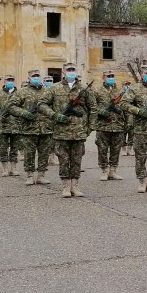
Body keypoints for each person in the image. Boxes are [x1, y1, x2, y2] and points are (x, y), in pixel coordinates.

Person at [48, 62, 95, 198]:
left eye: (73, 69)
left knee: (76, 160)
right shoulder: (54, 88)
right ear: (63, 72)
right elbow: (42, 104)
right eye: (68, 70)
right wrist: (55, 115)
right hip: (61, 132)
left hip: (79, 131)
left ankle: (75, 186)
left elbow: (93, 108)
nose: (71, 72)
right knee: (63, 160)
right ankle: (65, 187)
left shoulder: (84, 88)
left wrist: (90, 127)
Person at [123, 66, 147, 192]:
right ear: (142, 75)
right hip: (140, 128)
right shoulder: (134, 89)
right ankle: (142, 181)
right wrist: (139, 111)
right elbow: (123, 103)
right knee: (140, 156)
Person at [16, 69, 54, 185]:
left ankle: (41, 175)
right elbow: (12, 106)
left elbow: (55, 107)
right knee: (29, 153)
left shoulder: (48, 91)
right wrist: (23, 113)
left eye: (38, 75)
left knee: (44, 153)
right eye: (34, 76)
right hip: (29, 128)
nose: (36, 78)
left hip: (45, 128)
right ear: (29, 78)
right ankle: (30, 175)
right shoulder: (22, 92)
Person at [93, 71, 128, 180]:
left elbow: (126, 106)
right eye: (108, 76)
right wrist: (101, 112)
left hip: (118, 125)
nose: (111, 78)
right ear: (103, 78)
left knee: (116, 149)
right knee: (102, 149)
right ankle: (104, 170)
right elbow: (92, 106)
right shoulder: (97, 90)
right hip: (103, 125)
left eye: (112, 76)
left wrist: (127, 121)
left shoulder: (120, 91)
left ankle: (113, 170)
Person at [0, 74, 25, 177]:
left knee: (14, 148)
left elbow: (23, 108)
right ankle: (5, 169)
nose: (10, 81)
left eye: (12, 80)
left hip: (16, 125)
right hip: (2, 126)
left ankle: (13, 168)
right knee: (3, 149)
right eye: (8, 80)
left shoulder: (20, 93)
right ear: (4, 81)